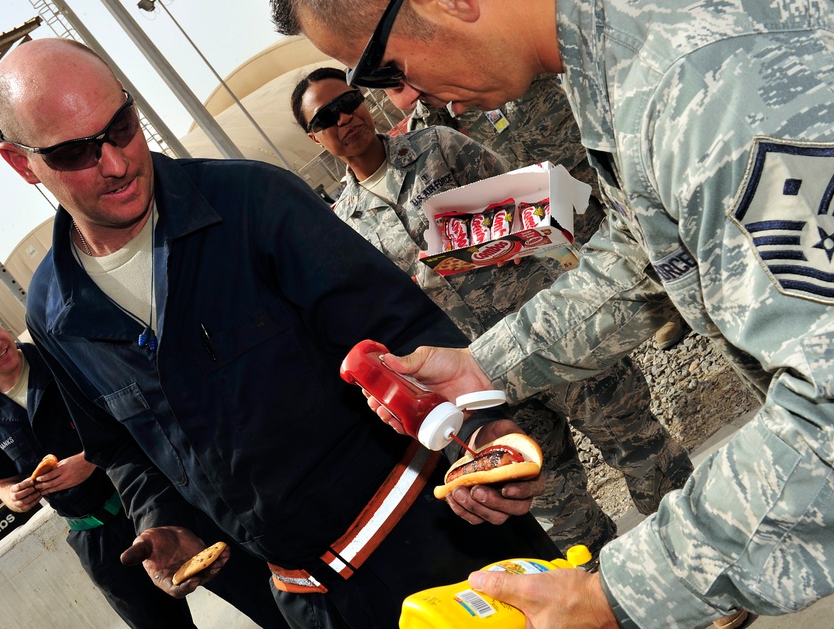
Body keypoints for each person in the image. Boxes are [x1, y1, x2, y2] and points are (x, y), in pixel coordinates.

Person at [265, 0, 834, 628]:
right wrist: (479, 367)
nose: (404, 102)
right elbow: (642, 255)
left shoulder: (697, 75)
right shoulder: (623, 41)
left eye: (385, 73)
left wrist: (622, 593)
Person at [0, 37, 561, 629]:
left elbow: (402, 333)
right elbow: (124, 450)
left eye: (123, 126)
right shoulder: (54, 312)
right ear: (21, 162)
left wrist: (482, 431)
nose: (116, 162)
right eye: (76, 152)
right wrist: (160, 519)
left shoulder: (252, 204)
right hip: (311, 606)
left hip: (447, 546)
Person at [292, 66, 694, 556]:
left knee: (638, 445)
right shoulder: (343, 227)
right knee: (552, 501)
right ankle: (605, 600)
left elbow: (526, 200)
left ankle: (697, 558)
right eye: (327, 117)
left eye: (349, 101)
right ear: (315, 137)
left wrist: (480, 233)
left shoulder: (435, 145)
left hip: (544, 328)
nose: (345, 118)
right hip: (475, 380)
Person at [0, 306, 289, 629]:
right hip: (101, 544)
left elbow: (140, 408)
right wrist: (13, 497)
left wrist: (91, 458)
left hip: (166, 504)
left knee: (262, 596)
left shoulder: (66, 357)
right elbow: (2, 483)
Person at [391, 73, 689, 349]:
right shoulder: (433, 104)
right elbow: (432, 134)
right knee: (600, 243)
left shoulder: (478, 44)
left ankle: (688, 274)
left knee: (639, 216)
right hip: (538, 178)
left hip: (574, 145)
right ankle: (663, 307)